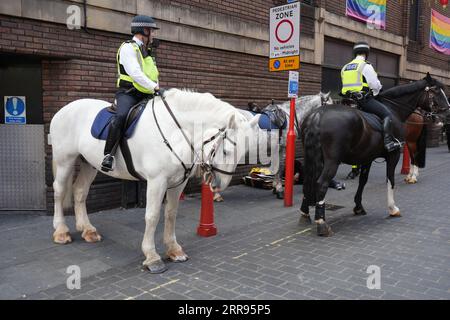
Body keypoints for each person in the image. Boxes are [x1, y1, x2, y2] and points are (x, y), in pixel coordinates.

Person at [101, 15, 162, 172]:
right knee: (121, 116)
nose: (154, 34)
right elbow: (135, 73)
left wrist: (157, 89)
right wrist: (154, 88)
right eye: (152, 31)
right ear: (144, 30)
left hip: (146, 93)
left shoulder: (147, 51)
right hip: (128, 93)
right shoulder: (128, 47)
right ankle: (108, 155)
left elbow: (153, 74)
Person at [341, 41, 402, 153]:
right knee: (387, 114)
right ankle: (388, 142)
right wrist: (376, 92)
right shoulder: (365, 66)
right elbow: (374, 85)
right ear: (366, 53)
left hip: (347, 101)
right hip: (362, 100)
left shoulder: (345, 67)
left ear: (355, 52)